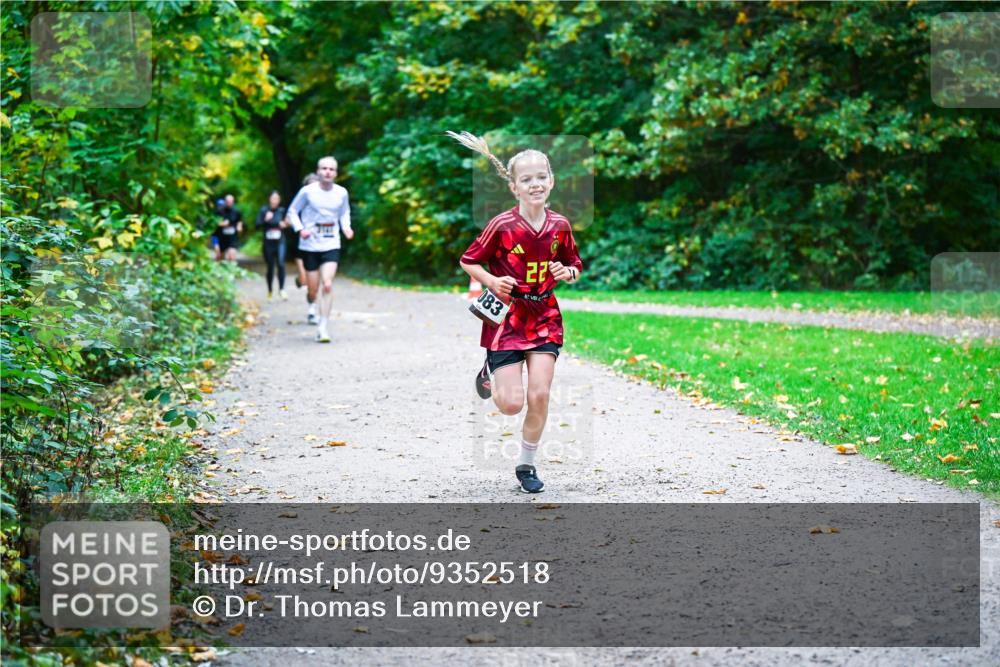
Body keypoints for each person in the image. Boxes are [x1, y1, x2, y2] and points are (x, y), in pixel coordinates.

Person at [452, 131, 583, 494]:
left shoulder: (560, 226)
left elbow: (574, 263)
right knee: (511, 405)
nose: (536, 184)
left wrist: (568, 273)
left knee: (539, 394)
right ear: (514, 187)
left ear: (552, 181)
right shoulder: (502, 226)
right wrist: (492, 280)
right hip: (506, 321)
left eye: (541, 177)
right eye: (527, 179)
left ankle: (526, 465)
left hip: (544, 317)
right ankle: (489, 371)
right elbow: (468, 261)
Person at [287, 156, 354, 342]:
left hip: (331, 243)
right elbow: (292, 211)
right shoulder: (307, 192)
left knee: (328, 284)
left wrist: (346, 227)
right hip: (309, 245)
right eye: (324, 168)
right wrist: (300, 229)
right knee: (313, 290)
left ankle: (323, 327)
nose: (327, 172)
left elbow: (344, 212)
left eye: (331, 169)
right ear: (318, 171)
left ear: (336, 173)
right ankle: (311, 303)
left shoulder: (341, 193)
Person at [256, 190, 288, 300]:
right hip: (268, 243)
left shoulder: (282, 211)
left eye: (277, 198)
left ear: (279, 200)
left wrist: (285, 224)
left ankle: (282, 290)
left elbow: (288, 223)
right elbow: (257, 224)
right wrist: (266, 219)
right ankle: (270, 290)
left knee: (281, 264)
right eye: (273, 198)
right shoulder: (264, 210)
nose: (275, 200)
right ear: (269, 199)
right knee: (270, 267)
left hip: (280, 241)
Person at [215, 194, 243, 263]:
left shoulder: (236, 212)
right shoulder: (219, 211)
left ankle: (232, 271)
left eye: (231, 201)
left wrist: (239, 226)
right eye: (227, 201)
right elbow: (214, 223)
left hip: (232, 236)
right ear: (225, 201)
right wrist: (222, 224)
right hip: (221, 237)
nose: (229, 203)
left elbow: (240, 221)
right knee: (220, 257)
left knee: (232, 255)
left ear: (233, 202)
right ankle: (221, 272)